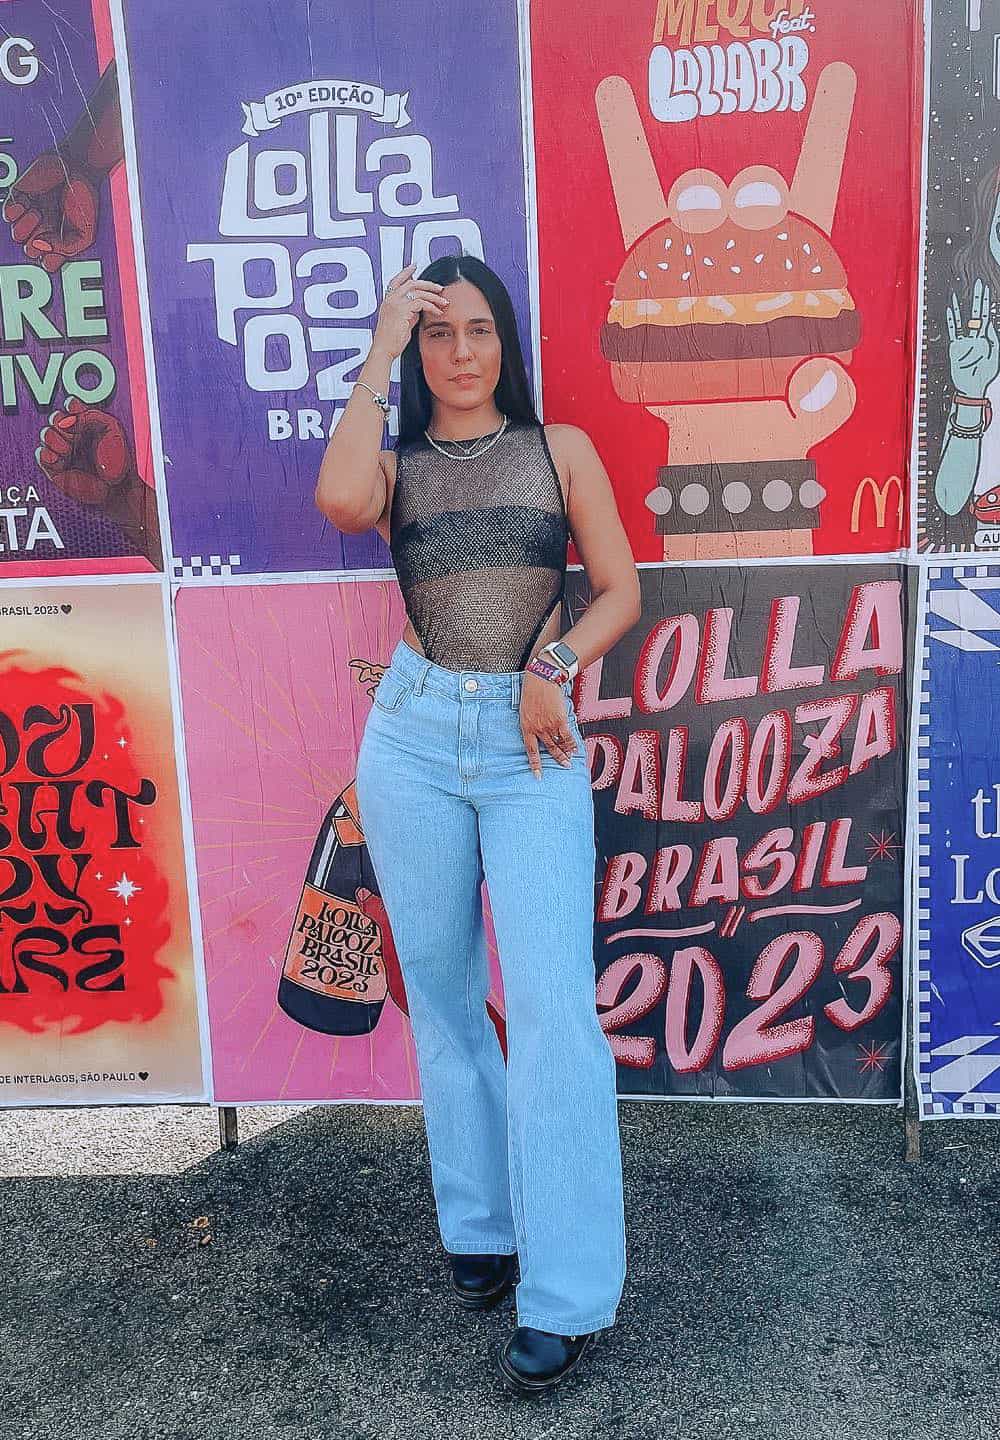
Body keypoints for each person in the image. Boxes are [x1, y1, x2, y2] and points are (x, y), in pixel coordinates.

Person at [315, 253, 641, 1396]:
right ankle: (482, 1225)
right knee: (447, 995)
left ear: (507, 339)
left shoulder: (560, 452)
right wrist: (377, 343)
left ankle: (566, 1293)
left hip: (528, 744)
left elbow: (618, 589)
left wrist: (553, 661)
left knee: (553, 1007)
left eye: (478, 331)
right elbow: (340, 501)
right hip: (408, 736)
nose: (461, 354)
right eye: (438, 335)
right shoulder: (395, 466)